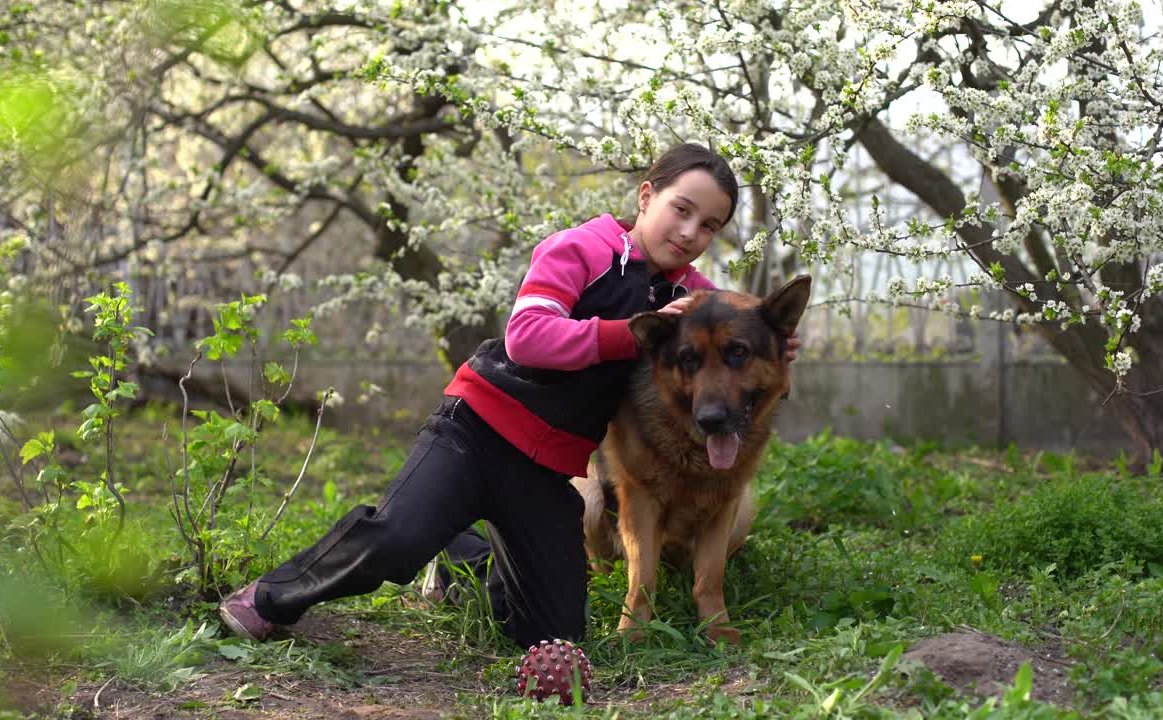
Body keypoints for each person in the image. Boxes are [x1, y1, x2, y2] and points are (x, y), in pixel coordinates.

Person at [219, 143, 797, 648]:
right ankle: (268, 599)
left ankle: (459, 561)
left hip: (547, 472)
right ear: (647, 196)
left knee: (551, 631)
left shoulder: (693, 297)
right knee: (396, 540)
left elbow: (742, 326)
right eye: (682, 210)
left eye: (710, 226)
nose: (691, 233)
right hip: (475, 432)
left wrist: (777, 344)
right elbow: (527, 337)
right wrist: (628, 333)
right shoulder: (581, 248)